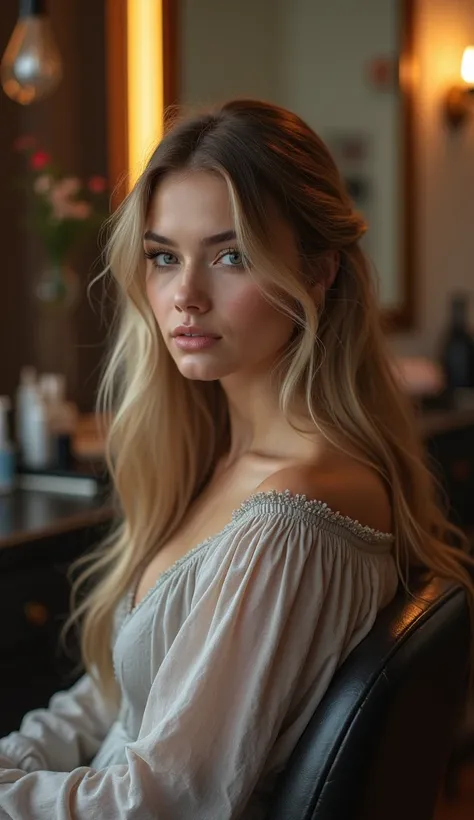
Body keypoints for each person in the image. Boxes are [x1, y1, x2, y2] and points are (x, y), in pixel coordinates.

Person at [0, 98, 472, 819]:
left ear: (319, 273)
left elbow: (163, 803)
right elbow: (114, 699)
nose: (184, 295)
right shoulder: (221, 462)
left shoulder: (291, 521)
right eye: (163, 257)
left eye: (231, 256)